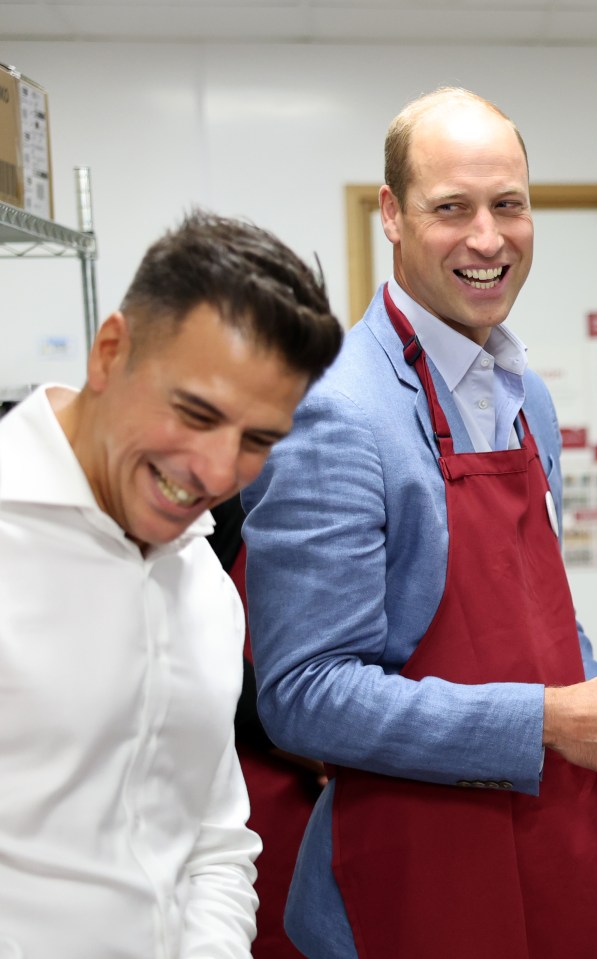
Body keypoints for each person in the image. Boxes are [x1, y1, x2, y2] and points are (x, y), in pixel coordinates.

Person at [240, 87, 597, 959]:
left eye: (508, 204)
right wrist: (546, 720)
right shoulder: (337, 413)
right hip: (413, 870)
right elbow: (303, 695)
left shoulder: (526, 399)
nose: (487, 238)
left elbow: (530, 608)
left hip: (554, 842)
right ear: (392, 215)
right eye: (451, 208)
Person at [0, 210, 342, 959]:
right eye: (195, 412)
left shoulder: (199, 580)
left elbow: (212, 839)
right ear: (110, 351)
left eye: (257, 440)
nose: (219, 475)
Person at [207, 495, 325, 959]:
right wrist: (323, 741)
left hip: (344, 776)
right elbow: (197, 655)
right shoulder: (223, 501)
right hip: (258, 773)